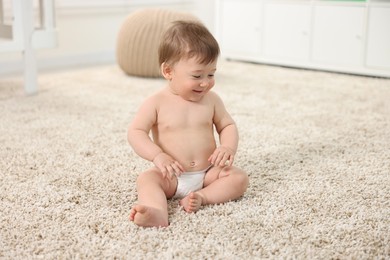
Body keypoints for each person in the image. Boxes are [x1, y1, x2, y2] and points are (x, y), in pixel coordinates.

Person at [128, 20, 249, 227]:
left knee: (239, 178)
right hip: (171, 175)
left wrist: (227, 146)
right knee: (147, 180)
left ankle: (202, 197)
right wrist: (158, 156)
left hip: (208, 172)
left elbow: (227, 125)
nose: (205, 82)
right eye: (197, 76)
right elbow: (136, 132)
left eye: (211, 74)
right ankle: (157, 212)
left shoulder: (212, 100)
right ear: (168, 72)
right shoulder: (156, 103)